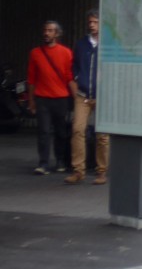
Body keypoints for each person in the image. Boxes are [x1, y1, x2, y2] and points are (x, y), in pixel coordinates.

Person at [66, 9, 109, 185]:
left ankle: (102, 171)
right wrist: (76, 83)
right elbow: (74, 66)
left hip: (102, 94)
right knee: (77, 129)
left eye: (95, 22)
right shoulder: (82, 44)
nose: (91, 25)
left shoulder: (108, 44)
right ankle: (78, 170)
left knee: (103, 134)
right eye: (90, 22)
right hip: (82, 93)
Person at [27, 20, 74, 175]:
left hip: (61, 98)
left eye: (50, 30)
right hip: (42, 99)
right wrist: (31, 101)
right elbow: (31, 79)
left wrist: (77, 98)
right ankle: (43, 163)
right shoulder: (35, 53)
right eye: (45, 30)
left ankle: (60, 161)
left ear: (57, 34)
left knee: (61, 132)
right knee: (43, 132)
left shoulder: (66, 52)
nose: (46, 33)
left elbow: (69, 77)